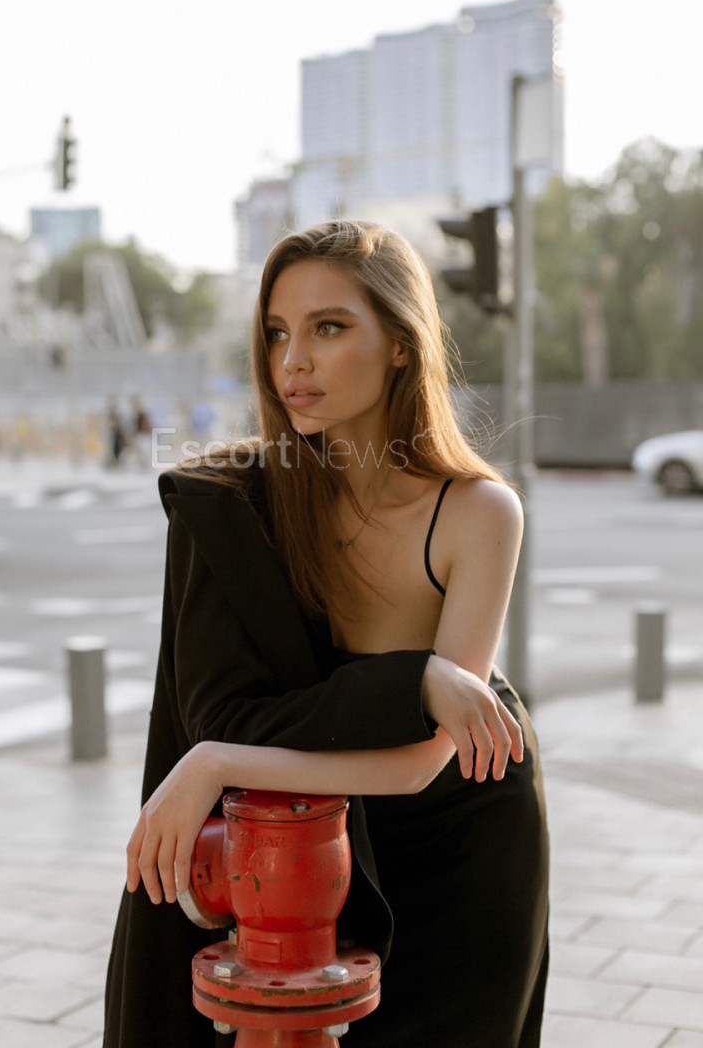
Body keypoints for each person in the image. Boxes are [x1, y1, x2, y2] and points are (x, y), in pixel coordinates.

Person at [103, 221, 549, 1048]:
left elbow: (420, 763)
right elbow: (218, 713)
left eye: (329, 328)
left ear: (401, 345)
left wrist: (218, 763)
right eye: (278, 332)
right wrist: (415, 682)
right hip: (304, 849)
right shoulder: (236, 504)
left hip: (465, 845)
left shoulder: (480, 511)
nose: (293, 362)